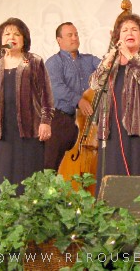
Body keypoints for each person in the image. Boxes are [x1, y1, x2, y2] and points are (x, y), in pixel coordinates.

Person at [0, 17, 54, 193]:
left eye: (16, 34)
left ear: (24, 39)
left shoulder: (33, 61)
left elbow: (46, 93)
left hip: (29, 129)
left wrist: (46, 121)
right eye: (7, 34)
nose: (11, 37)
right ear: (0, 39)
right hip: (1, 129)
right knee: (0, 176)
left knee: (27, 177)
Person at [89, 13, 140, 195]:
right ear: (117, 37)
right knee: (111, 179)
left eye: (134, 29)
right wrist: (108, 60)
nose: (130, 32)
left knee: (137, 181)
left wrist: (130, 57)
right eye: (125, 30)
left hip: (137, 128)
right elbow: (95, 84)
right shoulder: (110, 60)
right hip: (110, 128)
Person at [44, 22, 101, 170]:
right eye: (70, 35)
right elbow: (56, 87)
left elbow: (105, 68)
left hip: (86, 122)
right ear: (59, 40)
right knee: (54, 164)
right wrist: (79, 100)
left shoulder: (89, 59)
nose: (74, 38)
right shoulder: (53, 62)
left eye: (76, 34)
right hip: (61, 120)